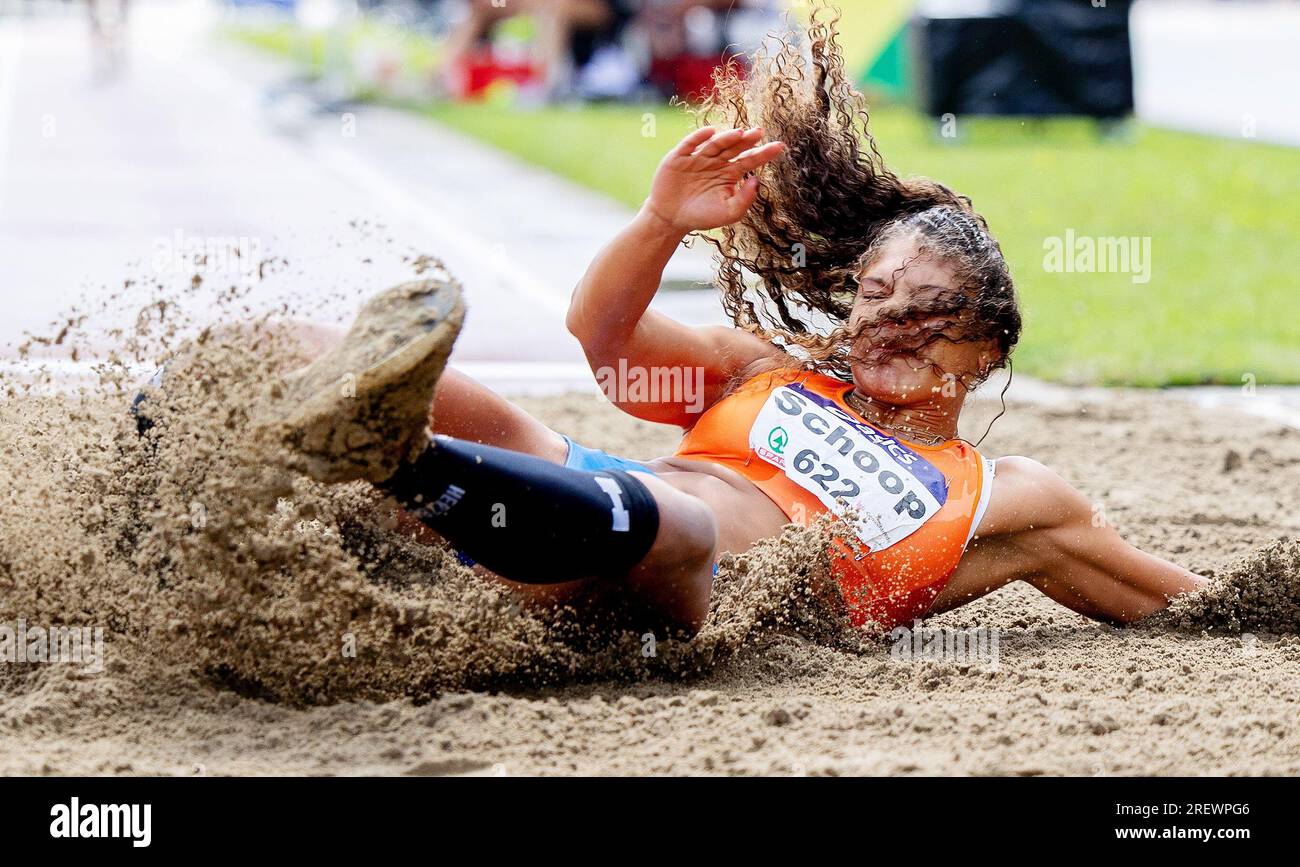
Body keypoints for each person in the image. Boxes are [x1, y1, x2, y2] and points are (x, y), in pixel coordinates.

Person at [188, 7, 1207, 638]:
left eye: (927, 312)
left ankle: (400, 465)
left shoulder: (1009, 499)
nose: (887, 324)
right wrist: (657, 223)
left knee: (679, 531)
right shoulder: (766, 373)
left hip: (681, 590)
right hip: (587, 490)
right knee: (295, 346)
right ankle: (174, 456)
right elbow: (603, 340)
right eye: (876, 296)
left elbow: (1183, 602)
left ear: (983, 351)